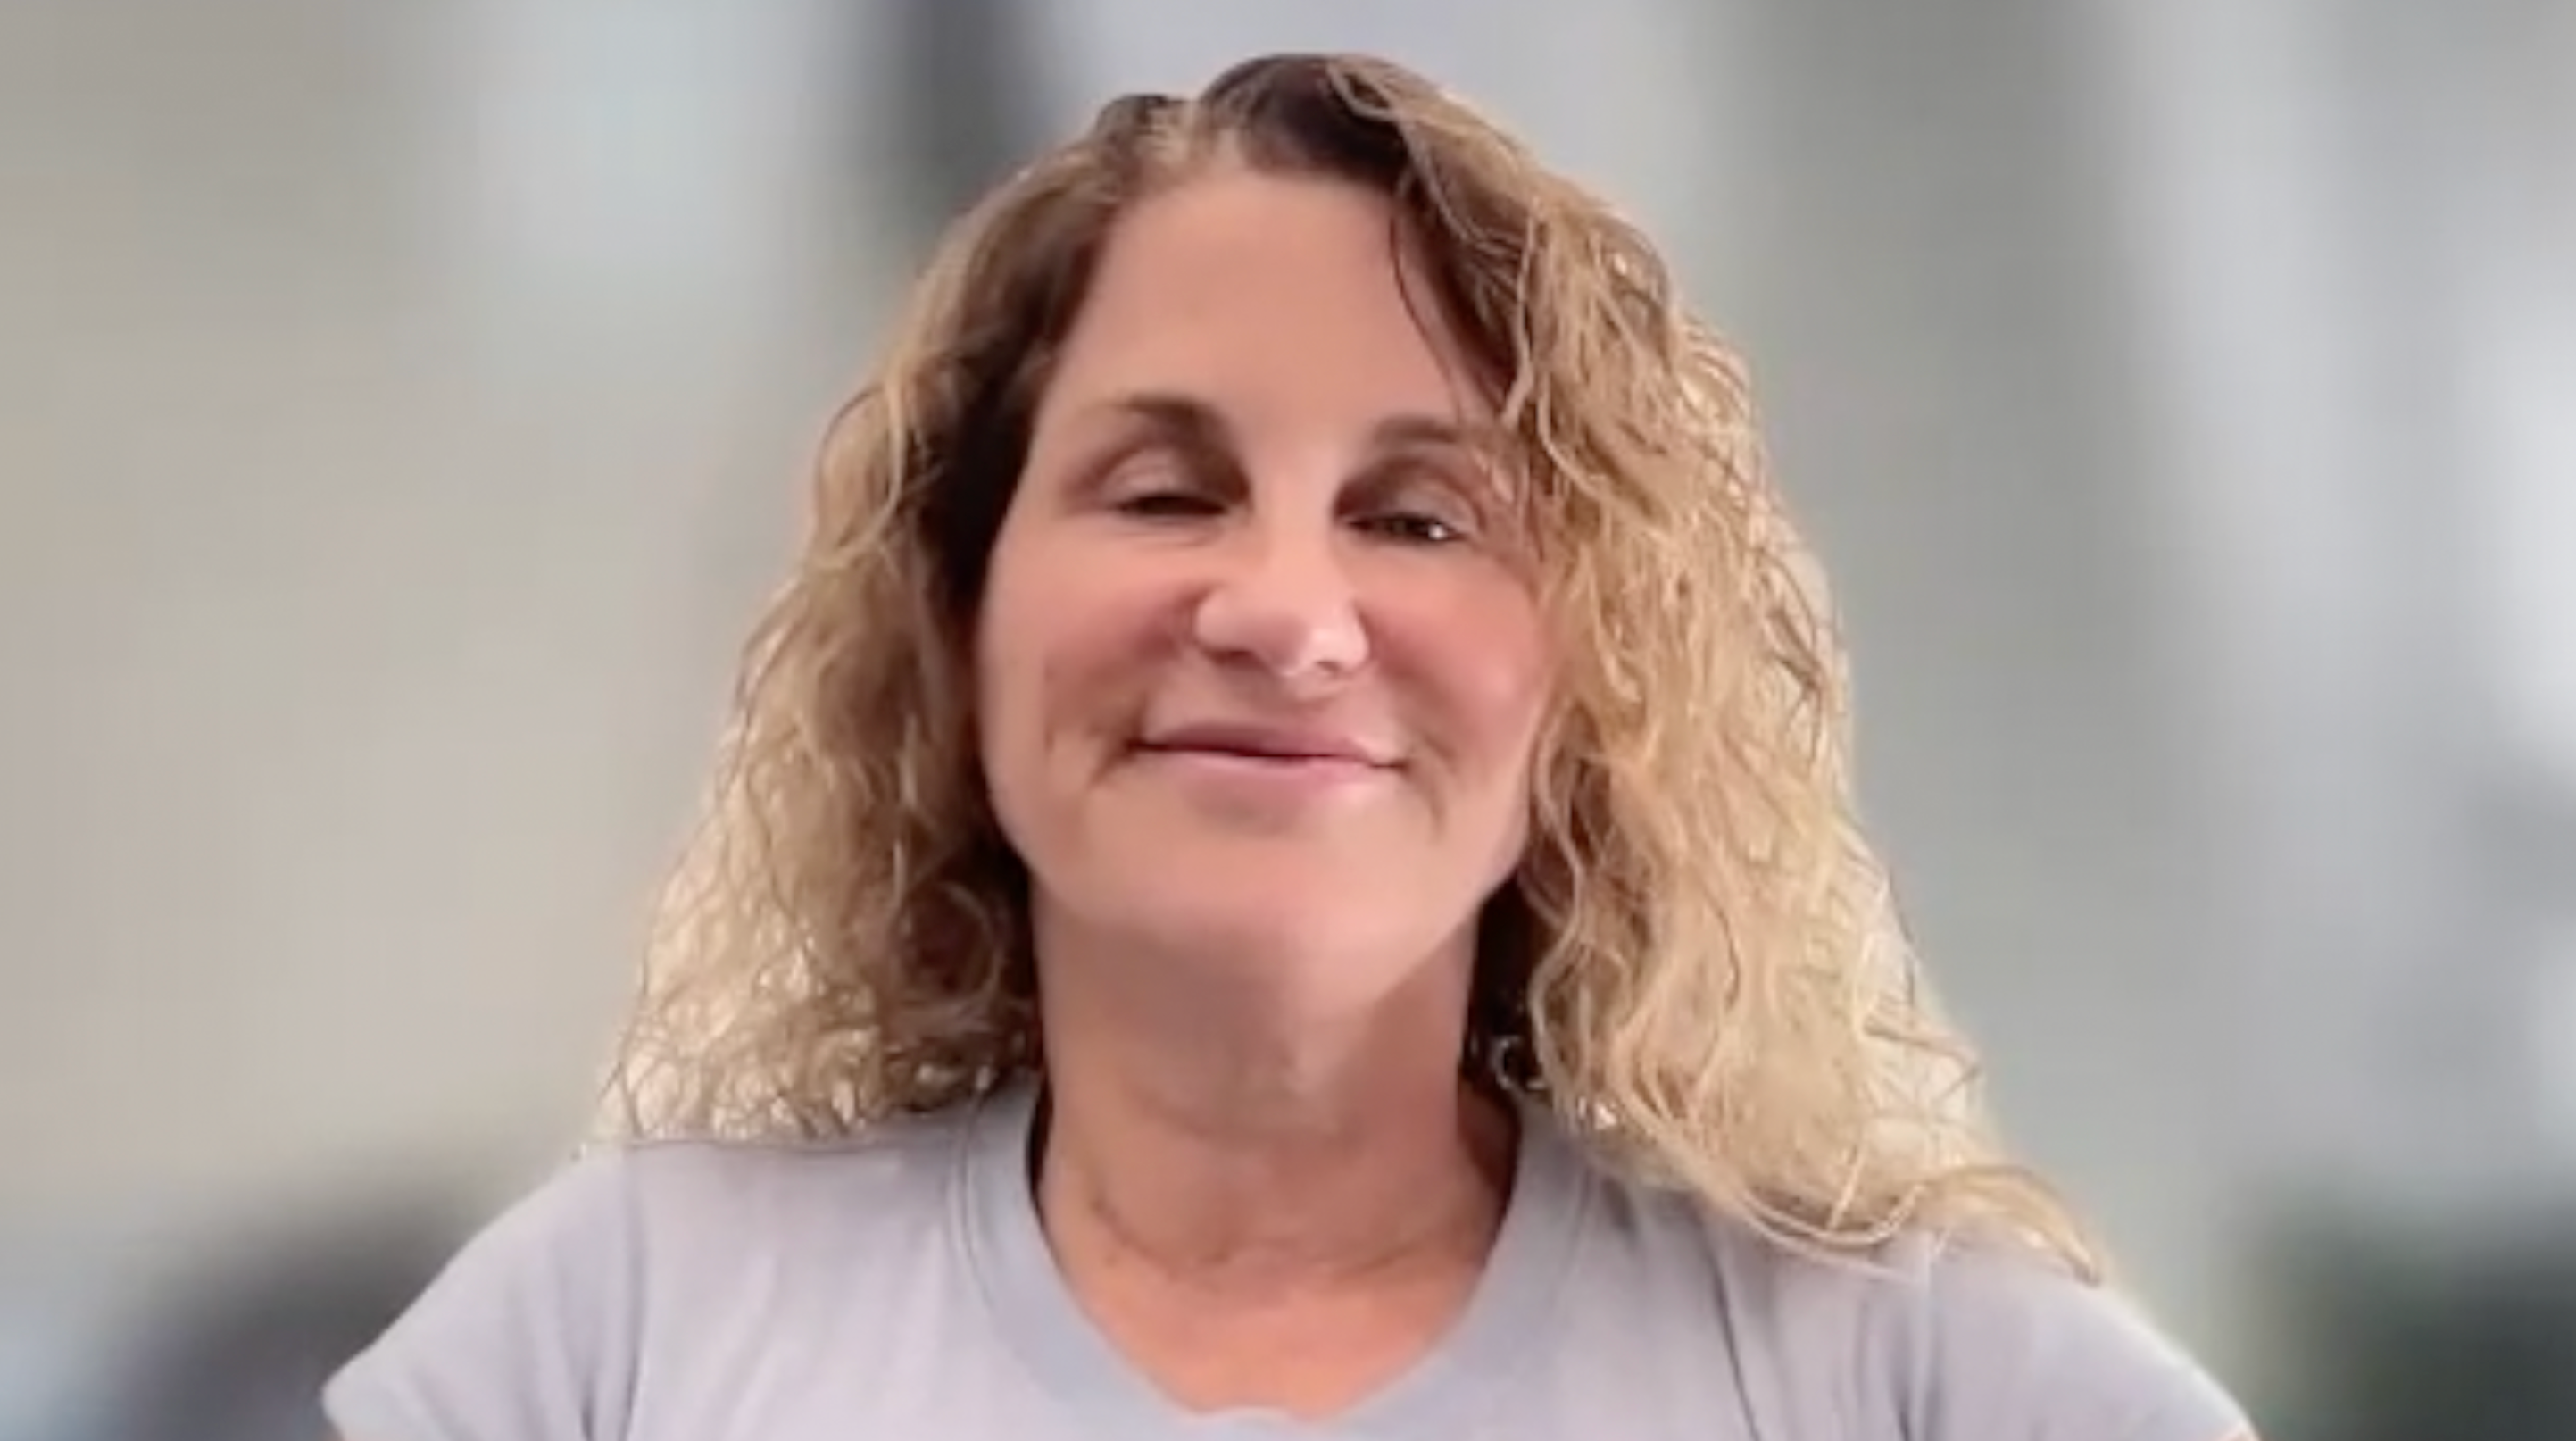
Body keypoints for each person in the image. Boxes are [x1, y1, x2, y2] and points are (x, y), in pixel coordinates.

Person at [325, 51, 2256, 1440]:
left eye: (1417, 517)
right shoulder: (605, 1339)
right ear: (957, 615)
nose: (1281, 609)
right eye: (1165, 491)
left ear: (1588, 686)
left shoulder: (1917, 1380)